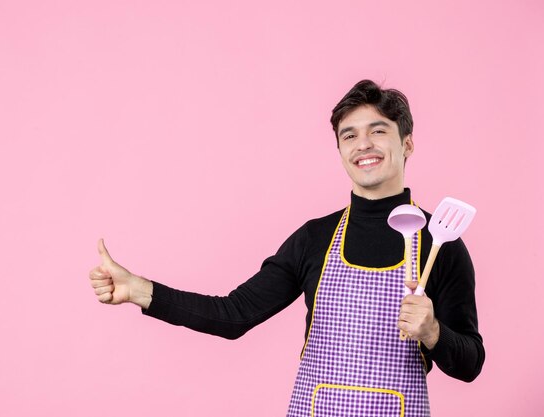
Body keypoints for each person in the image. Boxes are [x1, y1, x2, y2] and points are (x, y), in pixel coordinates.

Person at [88, 80, 485, 416]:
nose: (363, 144)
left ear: (407, 143)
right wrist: (139, 290)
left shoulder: (441, 243)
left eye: (378, 130)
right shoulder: (314, 239)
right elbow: (234, 315)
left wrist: (433, 332)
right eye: (350, 135)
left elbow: (471, 364)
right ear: (341, 151)